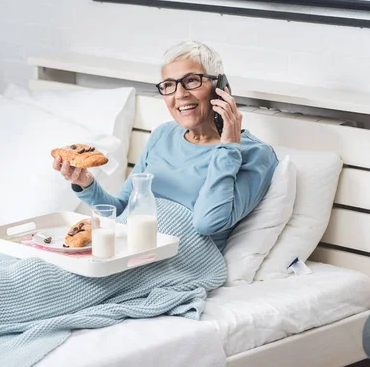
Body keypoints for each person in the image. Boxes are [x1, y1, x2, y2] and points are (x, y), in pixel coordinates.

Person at [53, 40, 278, 252]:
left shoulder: (254, 154)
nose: (180, 94)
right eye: (169, 85)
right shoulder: (163, 135)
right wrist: (85, 183)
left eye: (191, 80)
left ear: (220, 87)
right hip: (126, 246)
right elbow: (122, 210)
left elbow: (208, 223)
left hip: (181, 258)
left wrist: (228, 146)